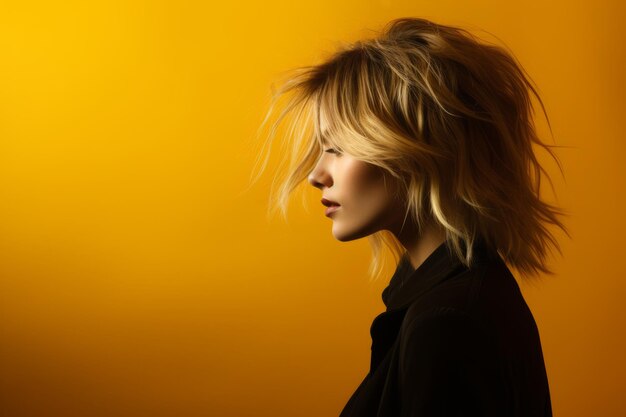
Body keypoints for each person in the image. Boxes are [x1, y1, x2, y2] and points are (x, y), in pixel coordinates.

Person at [250, 17, 567, 417]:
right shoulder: (462, 296)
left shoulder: (448, 324)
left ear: (416, 150)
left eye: (337, 148)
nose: (316, 176)